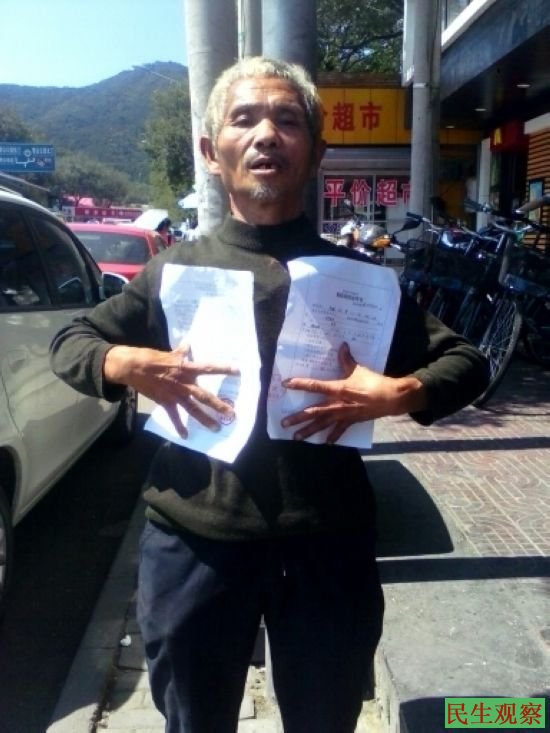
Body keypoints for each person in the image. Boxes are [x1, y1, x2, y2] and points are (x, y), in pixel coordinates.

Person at [50, 57, 489, 733]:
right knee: (194, 720)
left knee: (325, 718)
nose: (266, 135)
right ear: (211, 151)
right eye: (244, 118)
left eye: (288, 120)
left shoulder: (361, 280)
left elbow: (467, 361)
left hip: (328, 545)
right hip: (193, 544)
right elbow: (70, 342)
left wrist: (401, 392)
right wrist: (121, 361)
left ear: (316, 152)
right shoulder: (173, 271)